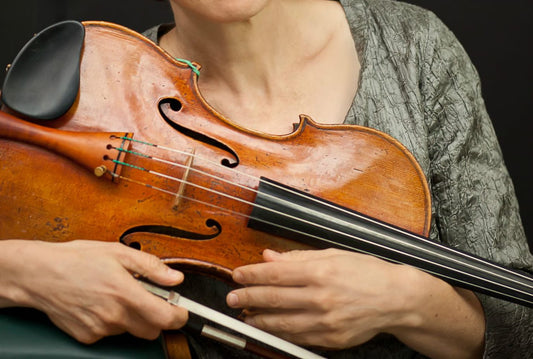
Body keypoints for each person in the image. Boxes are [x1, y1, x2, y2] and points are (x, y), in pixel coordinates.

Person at [1, 0, 532, 358]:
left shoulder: (415, 50)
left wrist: (405, 301)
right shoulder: (104, 85)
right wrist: (24, 271)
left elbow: (521, 328)